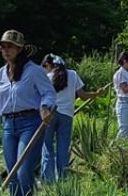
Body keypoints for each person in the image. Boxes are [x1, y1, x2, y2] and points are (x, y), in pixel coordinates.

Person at [0, 31, 57, 196]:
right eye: (4, 47)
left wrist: (45, 108)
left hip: (30, 123)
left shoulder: (34, 71)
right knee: (12, 173)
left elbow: (48, 93)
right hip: (9, 126)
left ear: (20, 49)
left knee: (24, 171)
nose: (6, 50)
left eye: (10, 47)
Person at [39, 54, 106, 183]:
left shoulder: (46, 77)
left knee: (47, 146)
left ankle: (48, 179)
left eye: (45, 66)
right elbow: (83, 95)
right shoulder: (73, 75)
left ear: (49, 65)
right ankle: (62, 177)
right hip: (66, 115)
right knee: (63, 147)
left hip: (49, 114)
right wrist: (97, 94)